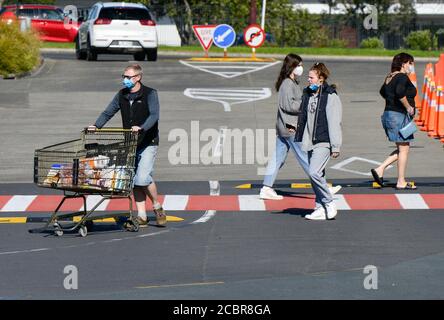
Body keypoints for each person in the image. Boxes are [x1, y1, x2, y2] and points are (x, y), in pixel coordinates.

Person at [89, 64, 167, 227]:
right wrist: (97, 126)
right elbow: (108, 112)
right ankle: (142, 216)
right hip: (130, 143)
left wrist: (142, 127)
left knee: (143, 178)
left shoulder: (150, 93)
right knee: (134, 180)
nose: (125, 80)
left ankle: (157, 205)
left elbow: (154, 115)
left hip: (148, 141)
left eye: (128, 77)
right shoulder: (122, 95)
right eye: (124, 77)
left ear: (138, 77)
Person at [259, 54, 341, 200]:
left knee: (277, 159)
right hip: (291, 127)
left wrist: (307, 94)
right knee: (307, 158)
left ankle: (266, 187)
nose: (301, 68)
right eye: (299, 65)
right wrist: (306, 102)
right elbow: (288, 105)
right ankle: (324, 188)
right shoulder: (287, 84)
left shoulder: (292, 83)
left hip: (284, 127)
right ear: (292, 66)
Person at [295, 62, 343, 220]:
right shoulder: (308, 94)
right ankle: (320, 208)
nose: (308, 80)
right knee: (317, 175)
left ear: (321, 79)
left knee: (314, 172)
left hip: (323, 140)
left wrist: (335, 146)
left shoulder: (330, 96)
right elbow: (304, 116)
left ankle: (328, 202)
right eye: (308, 77)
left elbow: (335, 122)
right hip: (309, 141)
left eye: (311, 77)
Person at [371, 53, 417, 190]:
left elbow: (382, 92)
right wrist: (408, 107)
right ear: (403, 64)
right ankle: (401, 181)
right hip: (398, 116)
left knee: (403, 148)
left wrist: (391, 102)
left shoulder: (390, 76)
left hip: (390, 115)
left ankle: (380, 169)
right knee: (404, 149)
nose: (412, 66)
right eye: (410, 63)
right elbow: (399, 92)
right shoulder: (402, 77)